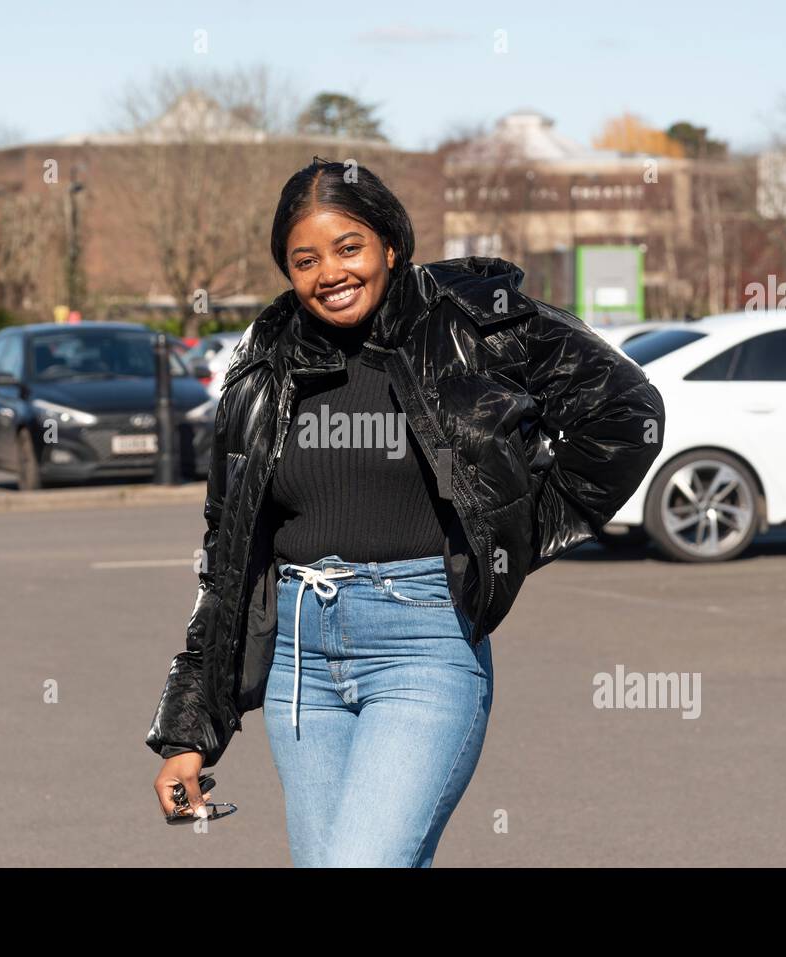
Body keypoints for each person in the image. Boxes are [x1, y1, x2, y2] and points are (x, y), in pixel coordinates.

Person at [148, 157, 665, 866]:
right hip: (299, 665)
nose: (330, 271)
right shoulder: (262, 364)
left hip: (422, 645)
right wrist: (188, 729)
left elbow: (622, 411)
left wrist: (514, 529)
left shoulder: (469, 322)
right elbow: (227, 549)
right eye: (305, 259)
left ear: (390, 243)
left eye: (348, 247)